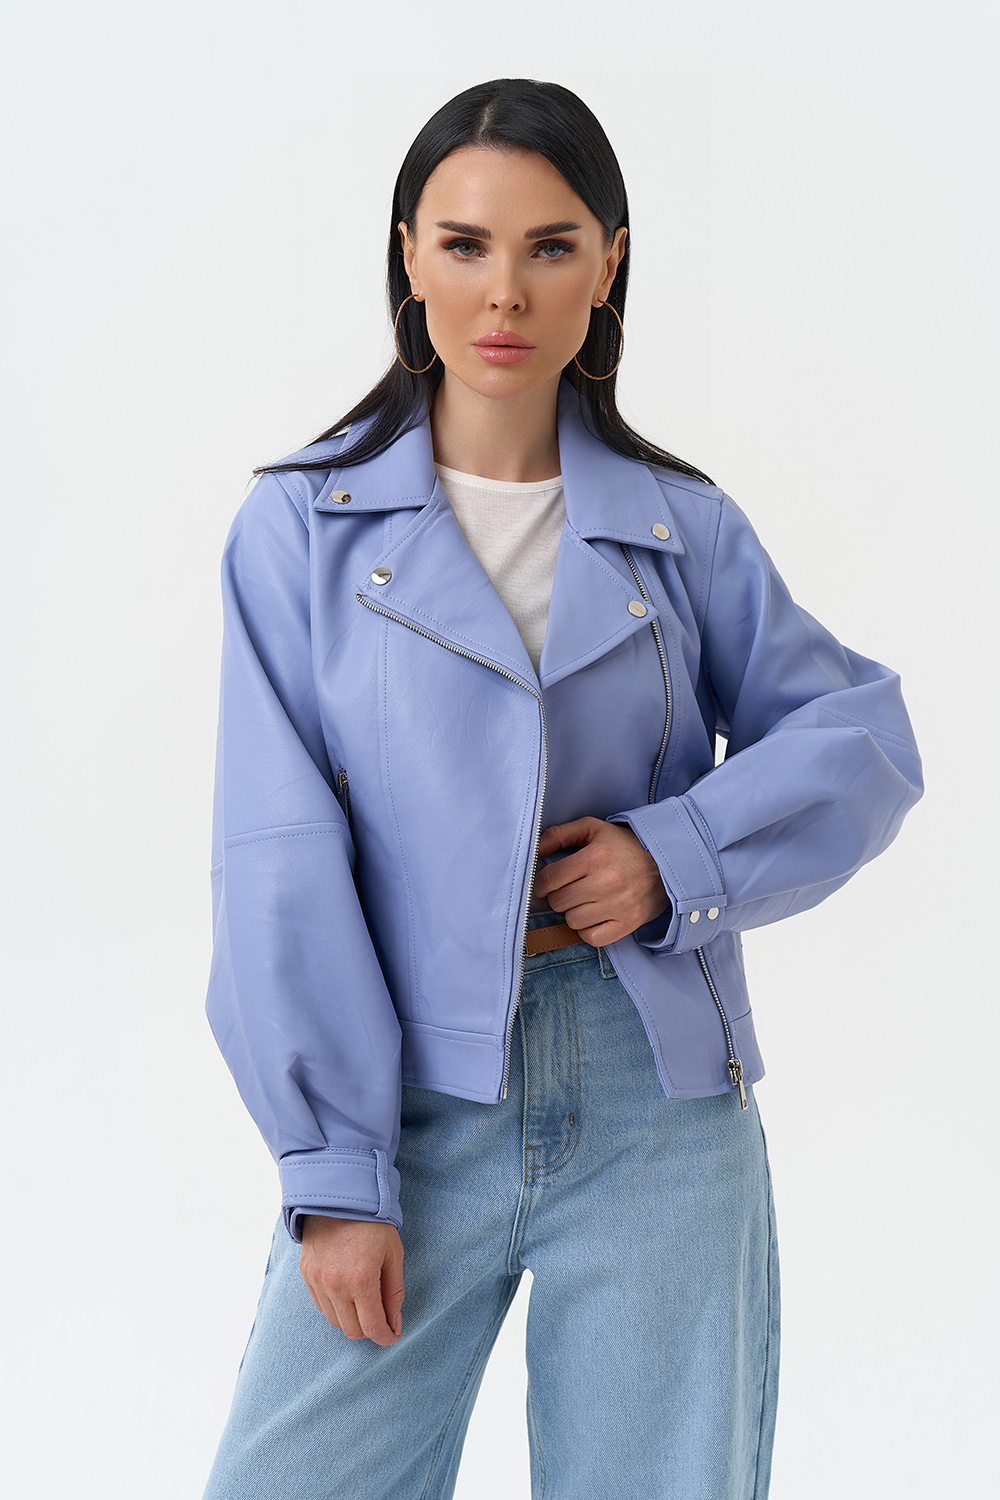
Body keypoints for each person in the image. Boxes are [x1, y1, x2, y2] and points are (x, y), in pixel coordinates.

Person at [200, 77, 923, 1500]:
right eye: (465, 244)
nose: (505, 292)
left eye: (550, 246)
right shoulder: (299, 530)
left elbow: (864, 739)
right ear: (410, 256)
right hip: (406, 1098)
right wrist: (333, 1171)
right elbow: (275, 850)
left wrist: (676, 852)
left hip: (658, 1097)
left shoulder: (685, 530)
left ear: (609, 262)